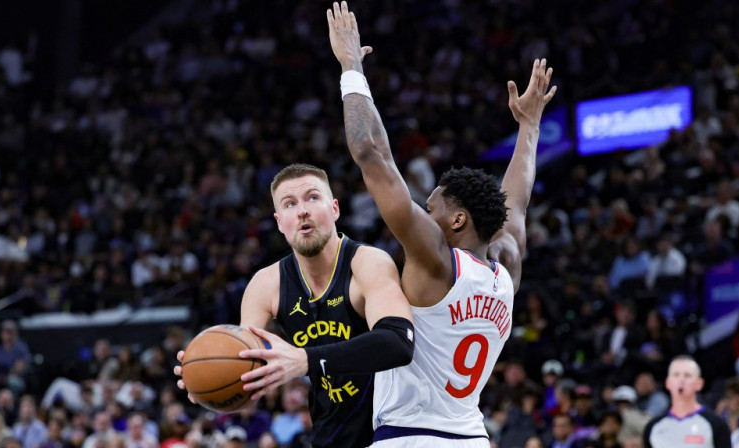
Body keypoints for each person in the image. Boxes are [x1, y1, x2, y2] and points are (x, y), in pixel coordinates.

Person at [326, 2, 555, 445]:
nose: (423, 216)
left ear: (457, 219)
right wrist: (528, 127)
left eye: (430, 208)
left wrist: (351, 66)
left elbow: (371, 153)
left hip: (410, 436)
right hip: (471, 436)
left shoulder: (435, 260)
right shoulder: (505, 267)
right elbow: (518, 204)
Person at [176, 163, 415, 448]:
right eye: (289, 204)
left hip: (393, 431)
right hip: (329, 434)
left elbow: (399, 343)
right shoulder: (266, 285)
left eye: (313, 198)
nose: (302, 210)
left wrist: (305, 360)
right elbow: (246, 366)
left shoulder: (367, 263)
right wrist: (205, 380)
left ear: (335, 209)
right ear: (279, 222)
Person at [643, 355, 731, 448]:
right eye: (676, 375)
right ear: (668, 383)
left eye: (687, 375)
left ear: (699, 384)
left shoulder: (716, 424)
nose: (681, 380)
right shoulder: (653, 427)